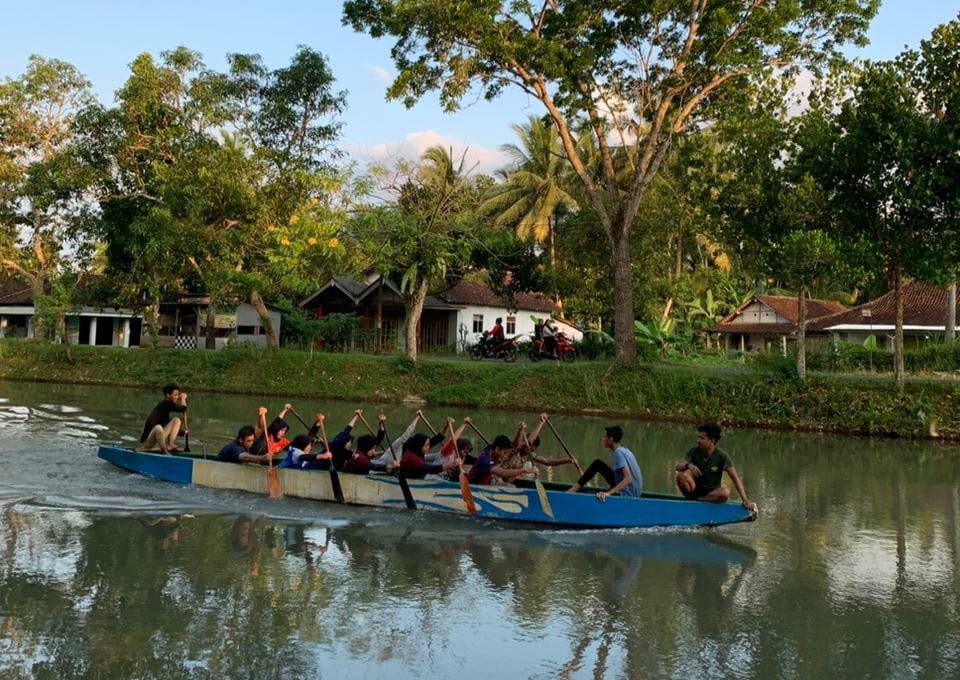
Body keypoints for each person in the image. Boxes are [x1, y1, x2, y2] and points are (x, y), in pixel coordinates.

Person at [675, 424, 753, 508]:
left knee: (725, 493)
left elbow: (735, 478)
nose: (698, 441)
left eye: (702, 438)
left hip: (711, 494)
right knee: (681, 476)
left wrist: (745, 499)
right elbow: (678, 466)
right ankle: (690, 500)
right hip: (695, 490)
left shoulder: (722, 456)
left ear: (712, 440)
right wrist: (688, 465)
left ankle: (700, 501)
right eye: (698, 437)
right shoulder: (693, 451)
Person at [566, 425, 642, 501]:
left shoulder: (618, 453)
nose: (603, 439)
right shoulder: (625, 450)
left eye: (605, 437)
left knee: (597, 465)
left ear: (611, 439)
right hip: (634, 493)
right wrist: (612, 486)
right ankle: (572, 490)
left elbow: (628, 478)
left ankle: (570, 492)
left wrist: (608, 493)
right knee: (598, 464)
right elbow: (620, 475)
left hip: (627, 495)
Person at [507, 414, 576, 469]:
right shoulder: (517, 448)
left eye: (531, 450)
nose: (529, 450)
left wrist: (567, 460)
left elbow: (547, 462)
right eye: (529, 449)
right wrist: (541, 422)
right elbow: (529, 442)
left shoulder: (530, 455)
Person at [467, 434, 539, 486]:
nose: (505, 456)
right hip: (473, 486)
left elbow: (518, 445)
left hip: (485, 483)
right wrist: (525, 470)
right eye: (504, 453)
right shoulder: (485, 459)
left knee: (509, 486)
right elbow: (502, 473)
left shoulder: (490, 449)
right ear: (497, 449)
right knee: (510, 487)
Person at [138, 384, 187, 453]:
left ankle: (170, 444)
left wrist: (183, 433)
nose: (177, 397)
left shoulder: (165, 410)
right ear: (168, 395)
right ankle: (164, 450)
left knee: (176, 420)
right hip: (149, 441)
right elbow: (183, 408)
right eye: (175, 395)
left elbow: (168, 426)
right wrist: (183, 399)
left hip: (159, 439)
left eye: (178, 395)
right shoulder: (166, 404)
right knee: (158, 428)